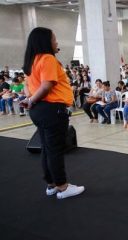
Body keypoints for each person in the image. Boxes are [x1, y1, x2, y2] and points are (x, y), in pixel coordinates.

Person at [20, 27, 84, 199]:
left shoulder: (32, 60)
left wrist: (30, 99)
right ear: (45, 42)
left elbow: (28, 85)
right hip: (52, 109)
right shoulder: (47, 59)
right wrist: (31, 100)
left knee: (47, 149)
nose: (56, 42)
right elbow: (47, 85)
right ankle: (63, 187)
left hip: (40, 110)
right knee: (55, 149)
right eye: (54, 39)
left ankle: (51, 184)